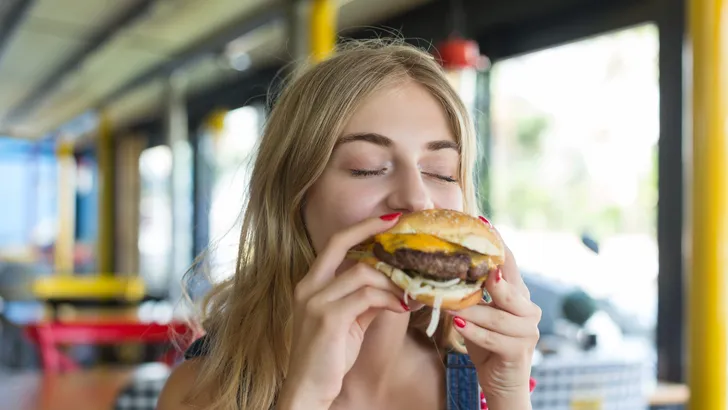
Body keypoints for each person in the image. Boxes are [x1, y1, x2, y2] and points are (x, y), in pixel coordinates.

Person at [158, 39, 541, 410]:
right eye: (367, 167)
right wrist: (305, 397)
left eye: (441, 172)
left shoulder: (481, 378)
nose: (416, 198)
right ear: (294, 197)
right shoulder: (201, 391)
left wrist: (510, 396)